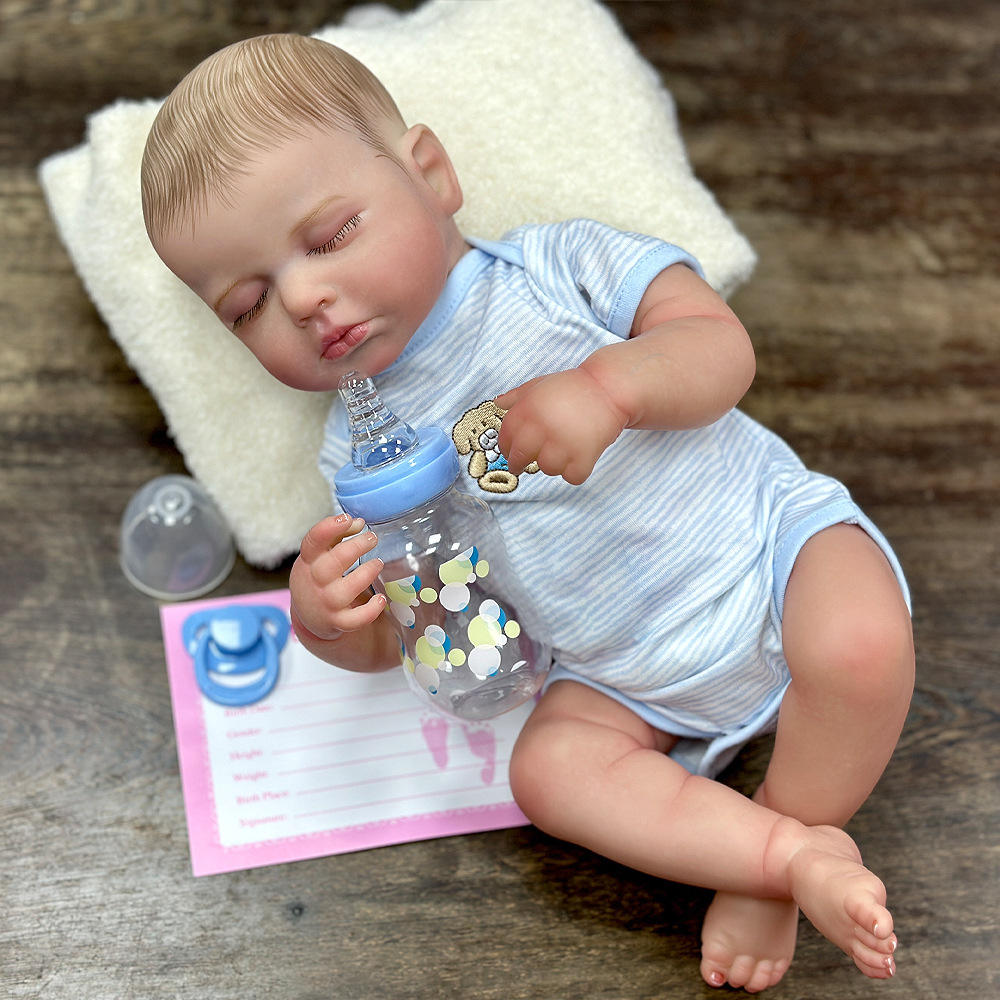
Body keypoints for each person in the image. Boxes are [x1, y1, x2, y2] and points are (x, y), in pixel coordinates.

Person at [141, 34, 915, 993]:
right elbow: (418, 632)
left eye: (331, 235)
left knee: (862, 646)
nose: (303, 298)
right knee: (550, 777)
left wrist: (614, 387)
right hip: (617, 678)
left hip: (770, 550)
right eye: (248, 305)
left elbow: (720, 348)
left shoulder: (563, 266)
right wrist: (332, 622)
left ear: (431, 174)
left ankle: (792, 829)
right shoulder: (354, 459)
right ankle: (776, 857)